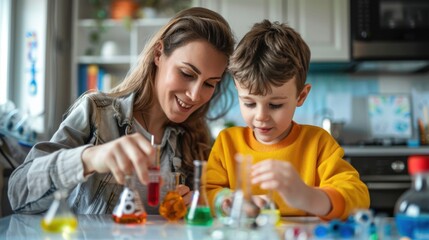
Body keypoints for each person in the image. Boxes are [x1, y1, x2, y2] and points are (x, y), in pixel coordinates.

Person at [8, 7, 235, 215]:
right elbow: (18, 192)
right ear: (158, 54)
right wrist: (90, 158)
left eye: (209, 84)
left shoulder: (196, 137)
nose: (195, 95)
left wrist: (193, 205)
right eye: (186, 74)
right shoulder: (95, 112)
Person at [206, 20, 369, 220]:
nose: (261, 116)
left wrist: (308, 196)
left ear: (301, 96)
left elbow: (358, 196)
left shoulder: (318, 143)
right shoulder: (227, 143)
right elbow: (207, 193)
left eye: (275, 105)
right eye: (249, 103)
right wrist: (231, 202)